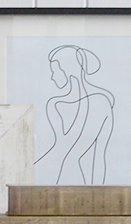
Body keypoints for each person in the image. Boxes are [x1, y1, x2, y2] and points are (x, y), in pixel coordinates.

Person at [36, 43, 116, 184]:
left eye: (55, 71)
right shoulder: (54, 104)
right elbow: (60, 146)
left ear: (67, 70)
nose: (52, 77)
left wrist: (97, 194)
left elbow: (98, 157)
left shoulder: (101, 102)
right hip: (47, 173)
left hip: (67, 177)